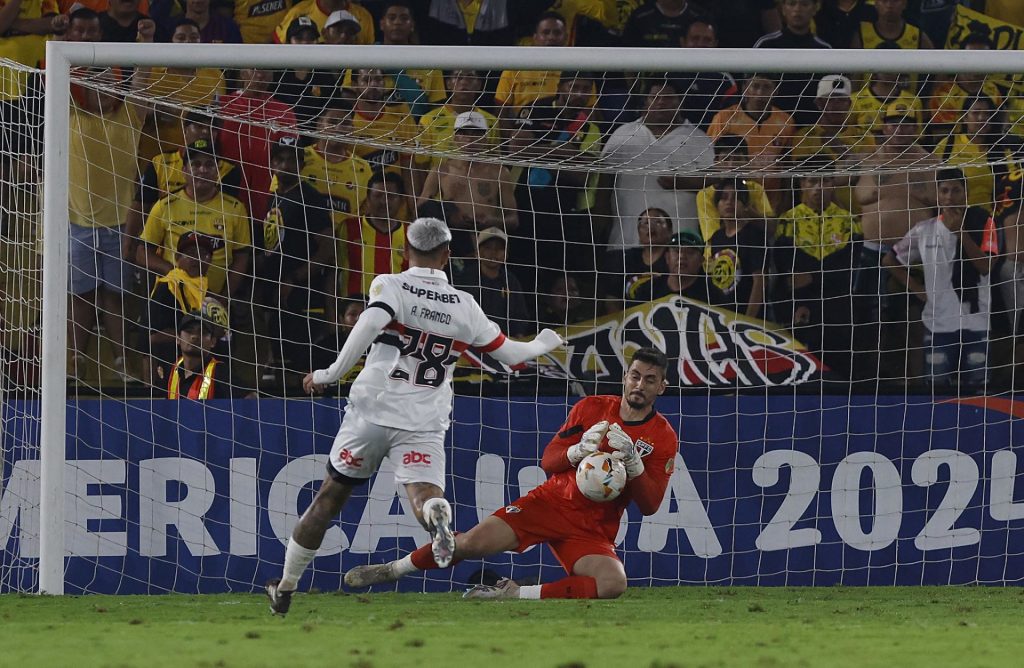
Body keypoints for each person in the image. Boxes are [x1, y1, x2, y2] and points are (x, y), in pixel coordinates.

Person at [265, 217, 565, 615]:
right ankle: (434, 516)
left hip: (372, 412)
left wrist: (327, 374)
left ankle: (286, 586)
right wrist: (541, 342)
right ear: (447, 255)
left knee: (328, 499)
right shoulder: (465, 305)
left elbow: (367, 325)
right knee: (423, 496)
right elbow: (509, 356)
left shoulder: (390, 285)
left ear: (406, 251)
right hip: (423, 419)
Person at [343, 346, 678, 601]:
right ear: (625, 377)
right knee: (471, 543)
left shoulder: (662, 436)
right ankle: (393, 569)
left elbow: (650, 505)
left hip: (592, 528)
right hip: (549, 504)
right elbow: (549, 461)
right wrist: (577, 452)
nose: (639, 385)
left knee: (613, 583)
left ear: (661, 387)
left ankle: (515, 594)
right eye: (635, 376)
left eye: (650, 380)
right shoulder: (590, 408)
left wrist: (634, 466)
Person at [64, 7, 154, 380]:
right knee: (80, 297)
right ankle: (72, 362)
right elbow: (63, 66)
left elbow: (142, 78)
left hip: (120, 222)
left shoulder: (130, 113)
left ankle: (121, 362)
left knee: (115, 296)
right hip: (78, 221)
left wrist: (144, 43)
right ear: (83, 86)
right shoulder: (70, 113)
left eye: (107, 79)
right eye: (93, 80)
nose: (101, 85)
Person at [883, 169, 997, 390]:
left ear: (966, 193)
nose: (950, 196)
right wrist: (917, 289)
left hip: (976, 320)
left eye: (956, 190)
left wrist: (961, 233)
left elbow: (986, 266)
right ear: (937, 194)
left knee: (977, 387)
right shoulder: (924, 230)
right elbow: (890, 260)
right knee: (937, 389)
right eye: (944, 190)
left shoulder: (984, 222)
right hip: (939, 322)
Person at [601, 78, 714, 248]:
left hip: (680, 247)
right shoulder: (623, 135)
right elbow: (603, 183)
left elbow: (714, 187)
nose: (661, 102)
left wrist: (682, 182)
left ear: (680, 101)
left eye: (668, 97)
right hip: (625, 241)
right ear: (645, 101)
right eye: (655, 97)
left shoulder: (699, 139)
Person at [139, 139, 252, 300]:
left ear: (218, 171)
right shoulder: (165, 205)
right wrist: (172, 272)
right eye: (196, 164)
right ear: (184, 170)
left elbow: (242, 257)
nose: (203, 170)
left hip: (214, 299)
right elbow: (142, 252)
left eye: (209, 165)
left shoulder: (235, 208)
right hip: (173, 295)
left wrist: (224, 298)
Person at [260, 137, 335, 373]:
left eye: (291, 160)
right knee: (280, 360)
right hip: (276, 289)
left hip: (304, 292)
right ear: (272, 163)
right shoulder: (273, 197)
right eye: (280, 160)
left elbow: (327, 249)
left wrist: (294, 279)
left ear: (301, 165)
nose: (285, 165)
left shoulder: (310, 197)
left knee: (302, 359)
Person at [774, 174, 861, 376]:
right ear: (801, 184)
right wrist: (800, 301)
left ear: (833, 184)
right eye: (812, 182)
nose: (818, 188)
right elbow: (787, 271)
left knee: (837, 371)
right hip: (799, 308)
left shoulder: (850, 222)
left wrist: (813, 275)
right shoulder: (787, 222)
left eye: (825, 181)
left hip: (836, 308)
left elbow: (847, 268)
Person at [417, 111, 517, 256]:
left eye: (476, 134)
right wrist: (449, 214)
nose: (470, 138)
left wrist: (492, 221)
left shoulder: (499, 173)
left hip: (487, 246)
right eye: (464, 133)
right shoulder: (441, 171)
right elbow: (421, 208)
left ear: (485, 139)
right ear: (455, 138)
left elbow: (514, 219)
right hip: (450, 243)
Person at [217, 67, 297, 219]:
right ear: (241, 72)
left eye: (266, 70)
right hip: (224, 202)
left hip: (268, 204)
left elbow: (291, 159)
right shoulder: (222, 105)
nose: (260, 75)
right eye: (254, 70)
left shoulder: (284, 112)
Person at [707, 73, 794, 211]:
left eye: (766, 87)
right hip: (732, 202)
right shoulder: (724, 118)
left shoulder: (785, 122)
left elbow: (788, 166)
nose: (760, 93)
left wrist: (786, 204)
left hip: (772, 202)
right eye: (755, 86)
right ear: (745, 88)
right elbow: (711, 161)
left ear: (775, 91)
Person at [752, 0, 832, 126]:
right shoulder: (766, 45)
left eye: (804, 4)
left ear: (815, 9)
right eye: (791, 3)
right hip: (771, 126)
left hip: (811, 128)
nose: (797, 9)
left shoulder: (824, 50)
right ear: (783, 9)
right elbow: (751, 87)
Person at [156, 300, 253, 399]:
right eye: (189, 331)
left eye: (202, 332)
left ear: (213, 341)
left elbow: (252, 399)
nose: (194, 336)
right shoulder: (170, 371)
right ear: (178, 338)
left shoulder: (220, 373)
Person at [147, 230, 216, 367]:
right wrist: (187, 338)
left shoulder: (209, 293)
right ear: (177, 257)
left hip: (203, 370)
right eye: (190, 254)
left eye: (203, 254)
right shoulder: (167, 287)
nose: (196, 259)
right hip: (169, 366)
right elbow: (150, 338)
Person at [337, 172, 409, 298]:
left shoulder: (410, 234)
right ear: (368, 199)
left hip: (395, 312)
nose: (384, 201)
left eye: (391, 196)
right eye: (378, 195)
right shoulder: (348, 227)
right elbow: (333, 271)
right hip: (354, 312)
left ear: (402, 200)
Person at [705, 179, 768, 319]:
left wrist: (748, 318)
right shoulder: (717, 237)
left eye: (736, 198)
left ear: (745, 206)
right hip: (722, 315)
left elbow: (760, 281)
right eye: (724, 198)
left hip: (747, 315)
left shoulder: (753, 234)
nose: (729, 202)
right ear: (717, 205)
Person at [454, 227, 531, 338]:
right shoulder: (464, 279)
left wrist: (518, 338)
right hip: (471, 343)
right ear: (477, 252)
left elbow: (520, 315)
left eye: (499, 248)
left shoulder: (511, 280)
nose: (493, 252)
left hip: (505, 342)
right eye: (488, 247)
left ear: (506, 254)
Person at [601, 208, 674, 306]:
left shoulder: (676, 260)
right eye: (645, 223)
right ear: (639, 233)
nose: (650, 226)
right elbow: (612, 300)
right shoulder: (625, 258)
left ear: (670, 232)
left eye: (657, 222)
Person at [627, 231, 722, 305]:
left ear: (701, 261)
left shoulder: (713, 294)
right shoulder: (648, 290)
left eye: (689, 252)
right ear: (667, 258)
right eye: (677, 251)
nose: (681, 256)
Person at [676, 17, 738, 131]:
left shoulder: (724, 80)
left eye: (707, 40)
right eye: (695, 38)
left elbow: (731, 120)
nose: (700, 44)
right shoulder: (667, 73)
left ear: (715, 44)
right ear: (683, 42)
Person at [273, 0, 374, 44]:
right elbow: (279, 47)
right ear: (324, 33)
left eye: (349, 32)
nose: (343, 36)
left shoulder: (364, 16)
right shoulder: (298, 12)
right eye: (338, 30)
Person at [622, 0, 703, 48]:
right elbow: (627, 52)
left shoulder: (700, 16)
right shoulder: (640, 17)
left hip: (690, 75)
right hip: (648, 75)